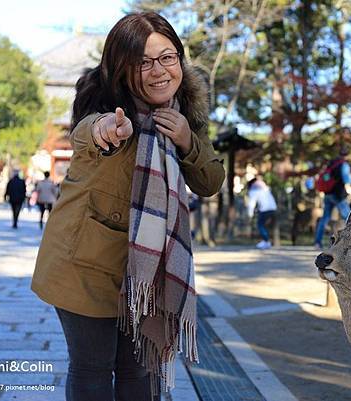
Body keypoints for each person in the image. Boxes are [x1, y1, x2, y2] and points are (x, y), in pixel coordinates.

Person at [30, 12, 225, 401]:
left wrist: (188, 140)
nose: (159, 71)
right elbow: (88, 132)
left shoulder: (185, 112)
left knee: (140, 372)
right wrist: (106, 128)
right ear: (121, 67)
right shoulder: (102, 106)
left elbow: (210, 181)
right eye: (143, 62)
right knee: (92, 371)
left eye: (168, 58)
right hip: (84, 262)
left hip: (148, 274)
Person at [314, 149, 351, 249]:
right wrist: (350, 182)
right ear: (347, 155)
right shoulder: (343, 165)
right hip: (338, 194)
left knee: (325, 218)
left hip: (327, 193)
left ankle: (317, 242)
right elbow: (346, 179)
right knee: (349, 217)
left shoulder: (331, 163)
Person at [246, 177, 277, 249]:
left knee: (260, 225)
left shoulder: (254, 190)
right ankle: (267, 241)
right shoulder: (264, 187)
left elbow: (252, 203)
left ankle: (266, 241)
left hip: (265, 209)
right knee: (266, 226)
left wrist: (250, 213)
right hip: (273, 208)